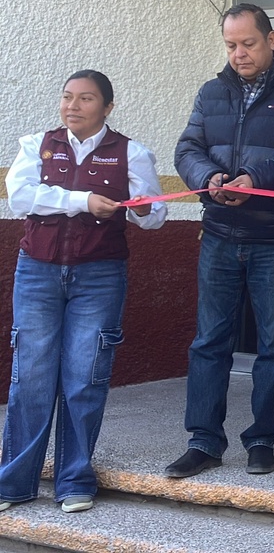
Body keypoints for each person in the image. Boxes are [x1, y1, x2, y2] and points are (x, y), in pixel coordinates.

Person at [168, 4, 274, 479]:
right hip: (219, 233)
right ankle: (203, 441)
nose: (239, 53)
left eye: (248, 43)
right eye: (231, 45)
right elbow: (187, 149)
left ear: (271, 40)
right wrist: (209, 177)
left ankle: (262, 440)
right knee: (209, 342)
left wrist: (254, 180)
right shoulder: (211, 91)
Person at [0, 70, 167, 514]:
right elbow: (20, 197)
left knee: (85, 378)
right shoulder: (37, 144)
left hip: (99, 276)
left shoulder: (132, 152)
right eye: (67, 97)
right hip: (37, 272)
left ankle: (74, 480)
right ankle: (13, 483)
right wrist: (82, 200)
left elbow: (154, 217)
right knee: (30, 377)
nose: (72, 106)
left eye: (86, 98)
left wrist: (144, 209)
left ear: (107, 107)